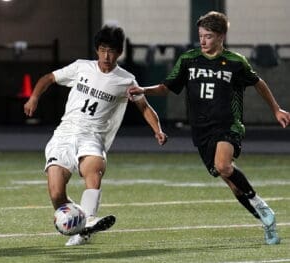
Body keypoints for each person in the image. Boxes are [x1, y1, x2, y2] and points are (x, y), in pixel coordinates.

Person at [128, 11, 290, 245]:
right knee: (233, 184)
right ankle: (267, 222)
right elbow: (166, 86)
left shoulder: (235, 62)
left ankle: (259, 203)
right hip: (201, 129)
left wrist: (276, 109)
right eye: (201, 36)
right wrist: (144, 89)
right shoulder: (189, 59)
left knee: (223, 165)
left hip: (228, 125)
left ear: (221, 36)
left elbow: (259, 83)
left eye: (209, 36)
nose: (203, 41)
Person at [24, 25, 167, 246]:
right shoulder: (81, 67)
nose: (106, 56)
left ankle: (88, 221)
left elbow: (145, 108)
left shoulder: (126, 80)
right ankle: (80, 225)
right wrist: (33, 98)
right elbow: (48, 78)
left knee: (93, 168)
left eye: (111, 51)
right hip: (65, 134)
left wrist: (157, 130)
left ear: (119, 52)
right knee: (55, 193)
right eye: (102, 49)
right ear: (96, 50)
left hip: (93, 135)